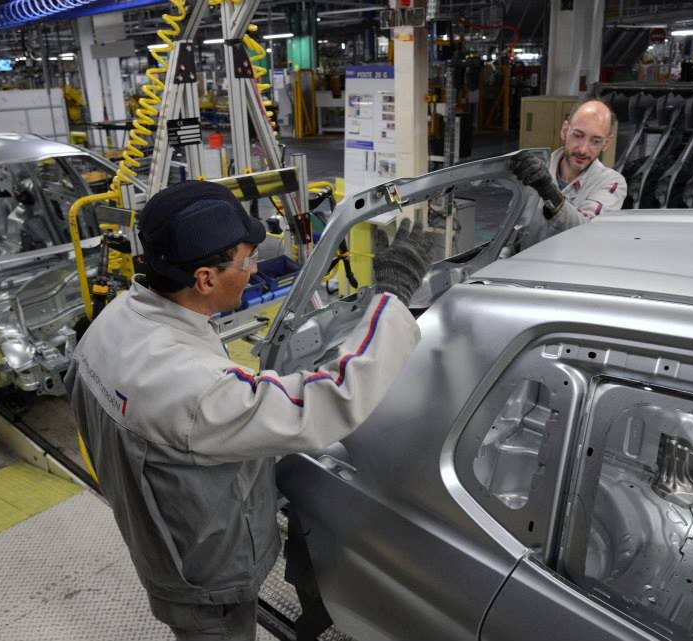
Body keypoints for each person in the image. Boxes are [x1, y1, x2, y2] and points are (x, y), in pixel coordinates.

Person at [65, 180, 432, 641]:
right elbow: (329, 400)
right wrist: (392, 301)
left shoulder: (114, 322)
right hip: (204, 578)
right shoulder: (193, 388)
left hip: (162, 539)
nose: (255, 273)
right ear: (205, 278)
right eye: (246, 262)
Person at [516, 99, 627, 237]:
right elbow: (513, 232)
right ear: (564, 131)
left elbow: (587, 231)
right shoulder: (535, 171)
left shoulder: (611, 182)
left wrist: (549, 192)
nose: (583, 150)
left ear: (606, 143)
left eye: (595, 141)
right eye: (578, 135)